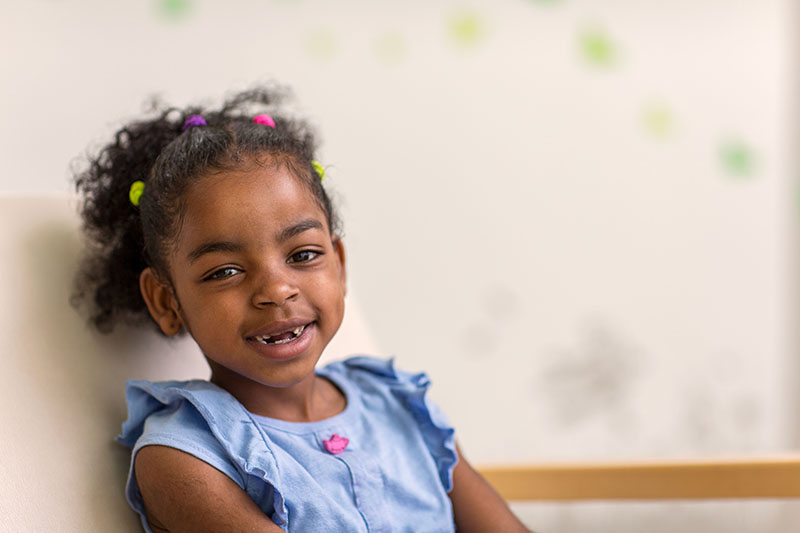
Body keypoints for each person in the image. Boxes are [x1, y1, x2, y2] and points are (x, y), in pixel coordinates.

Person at [73, 86, 529, 533]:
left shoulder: (400, 405)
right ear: (166, 301)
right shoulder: (184, 458)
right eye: (225, 271)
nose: (276, 289)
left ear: (340, 264)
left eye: (303, 255)